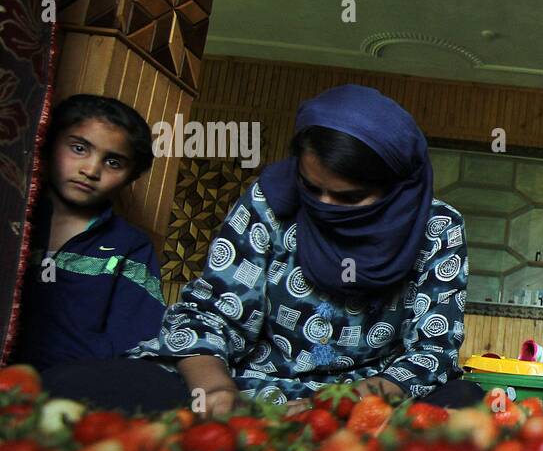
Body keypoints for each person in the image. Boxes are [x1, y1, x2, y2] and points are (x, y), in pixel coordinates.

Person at [45, 84, 481, 415]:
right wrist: (217, 395)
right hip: (247, 385)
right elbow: (214, 312)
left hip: (366, 396)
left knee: (465, 404)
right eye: (312, 189)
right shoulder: (269, 202)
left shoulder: (437, 229)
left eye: (349, 198)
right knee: (73, 386)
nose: (324, 207)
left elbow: (432, 347)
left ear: (396, 190)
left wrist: (368, 397)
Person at [8, 95, 165, 370]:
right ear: (47, 144)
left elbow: (135, 340)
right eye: (79, 148)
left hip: (77, 387)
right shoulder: (12, 217)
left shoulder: (129, 245)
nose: (91, 170)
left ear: (131, 177)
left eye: (113, 163)